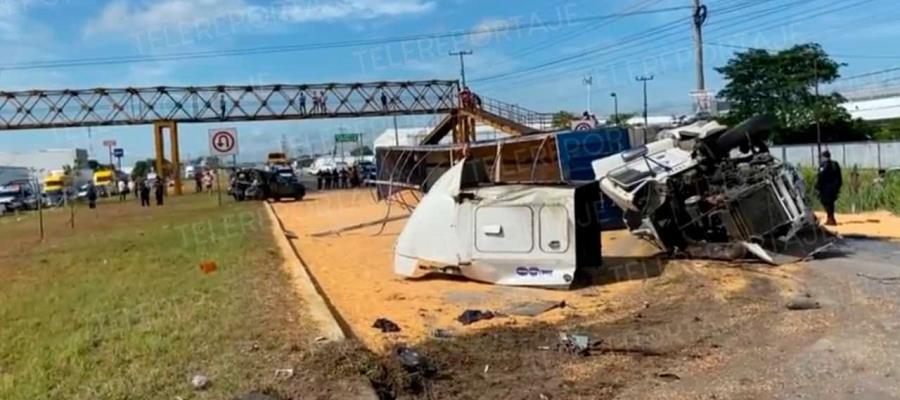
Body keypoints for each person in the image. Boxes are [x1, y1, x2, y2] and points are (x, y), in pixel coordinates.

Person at [816, 150, 842, 226]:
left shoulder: (824, 165)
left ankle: (831, 219)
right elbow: (839, 176)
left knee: (826, 203)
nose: (820, 158)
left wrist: (817, 186)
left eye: (821, 157)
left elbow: (821, 176)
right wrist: (838, 185)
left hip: (826, 188)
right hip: (834, 187)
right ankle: (831, 218)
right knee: (831, 203)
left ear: (824, 157)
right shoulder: (835, 164)